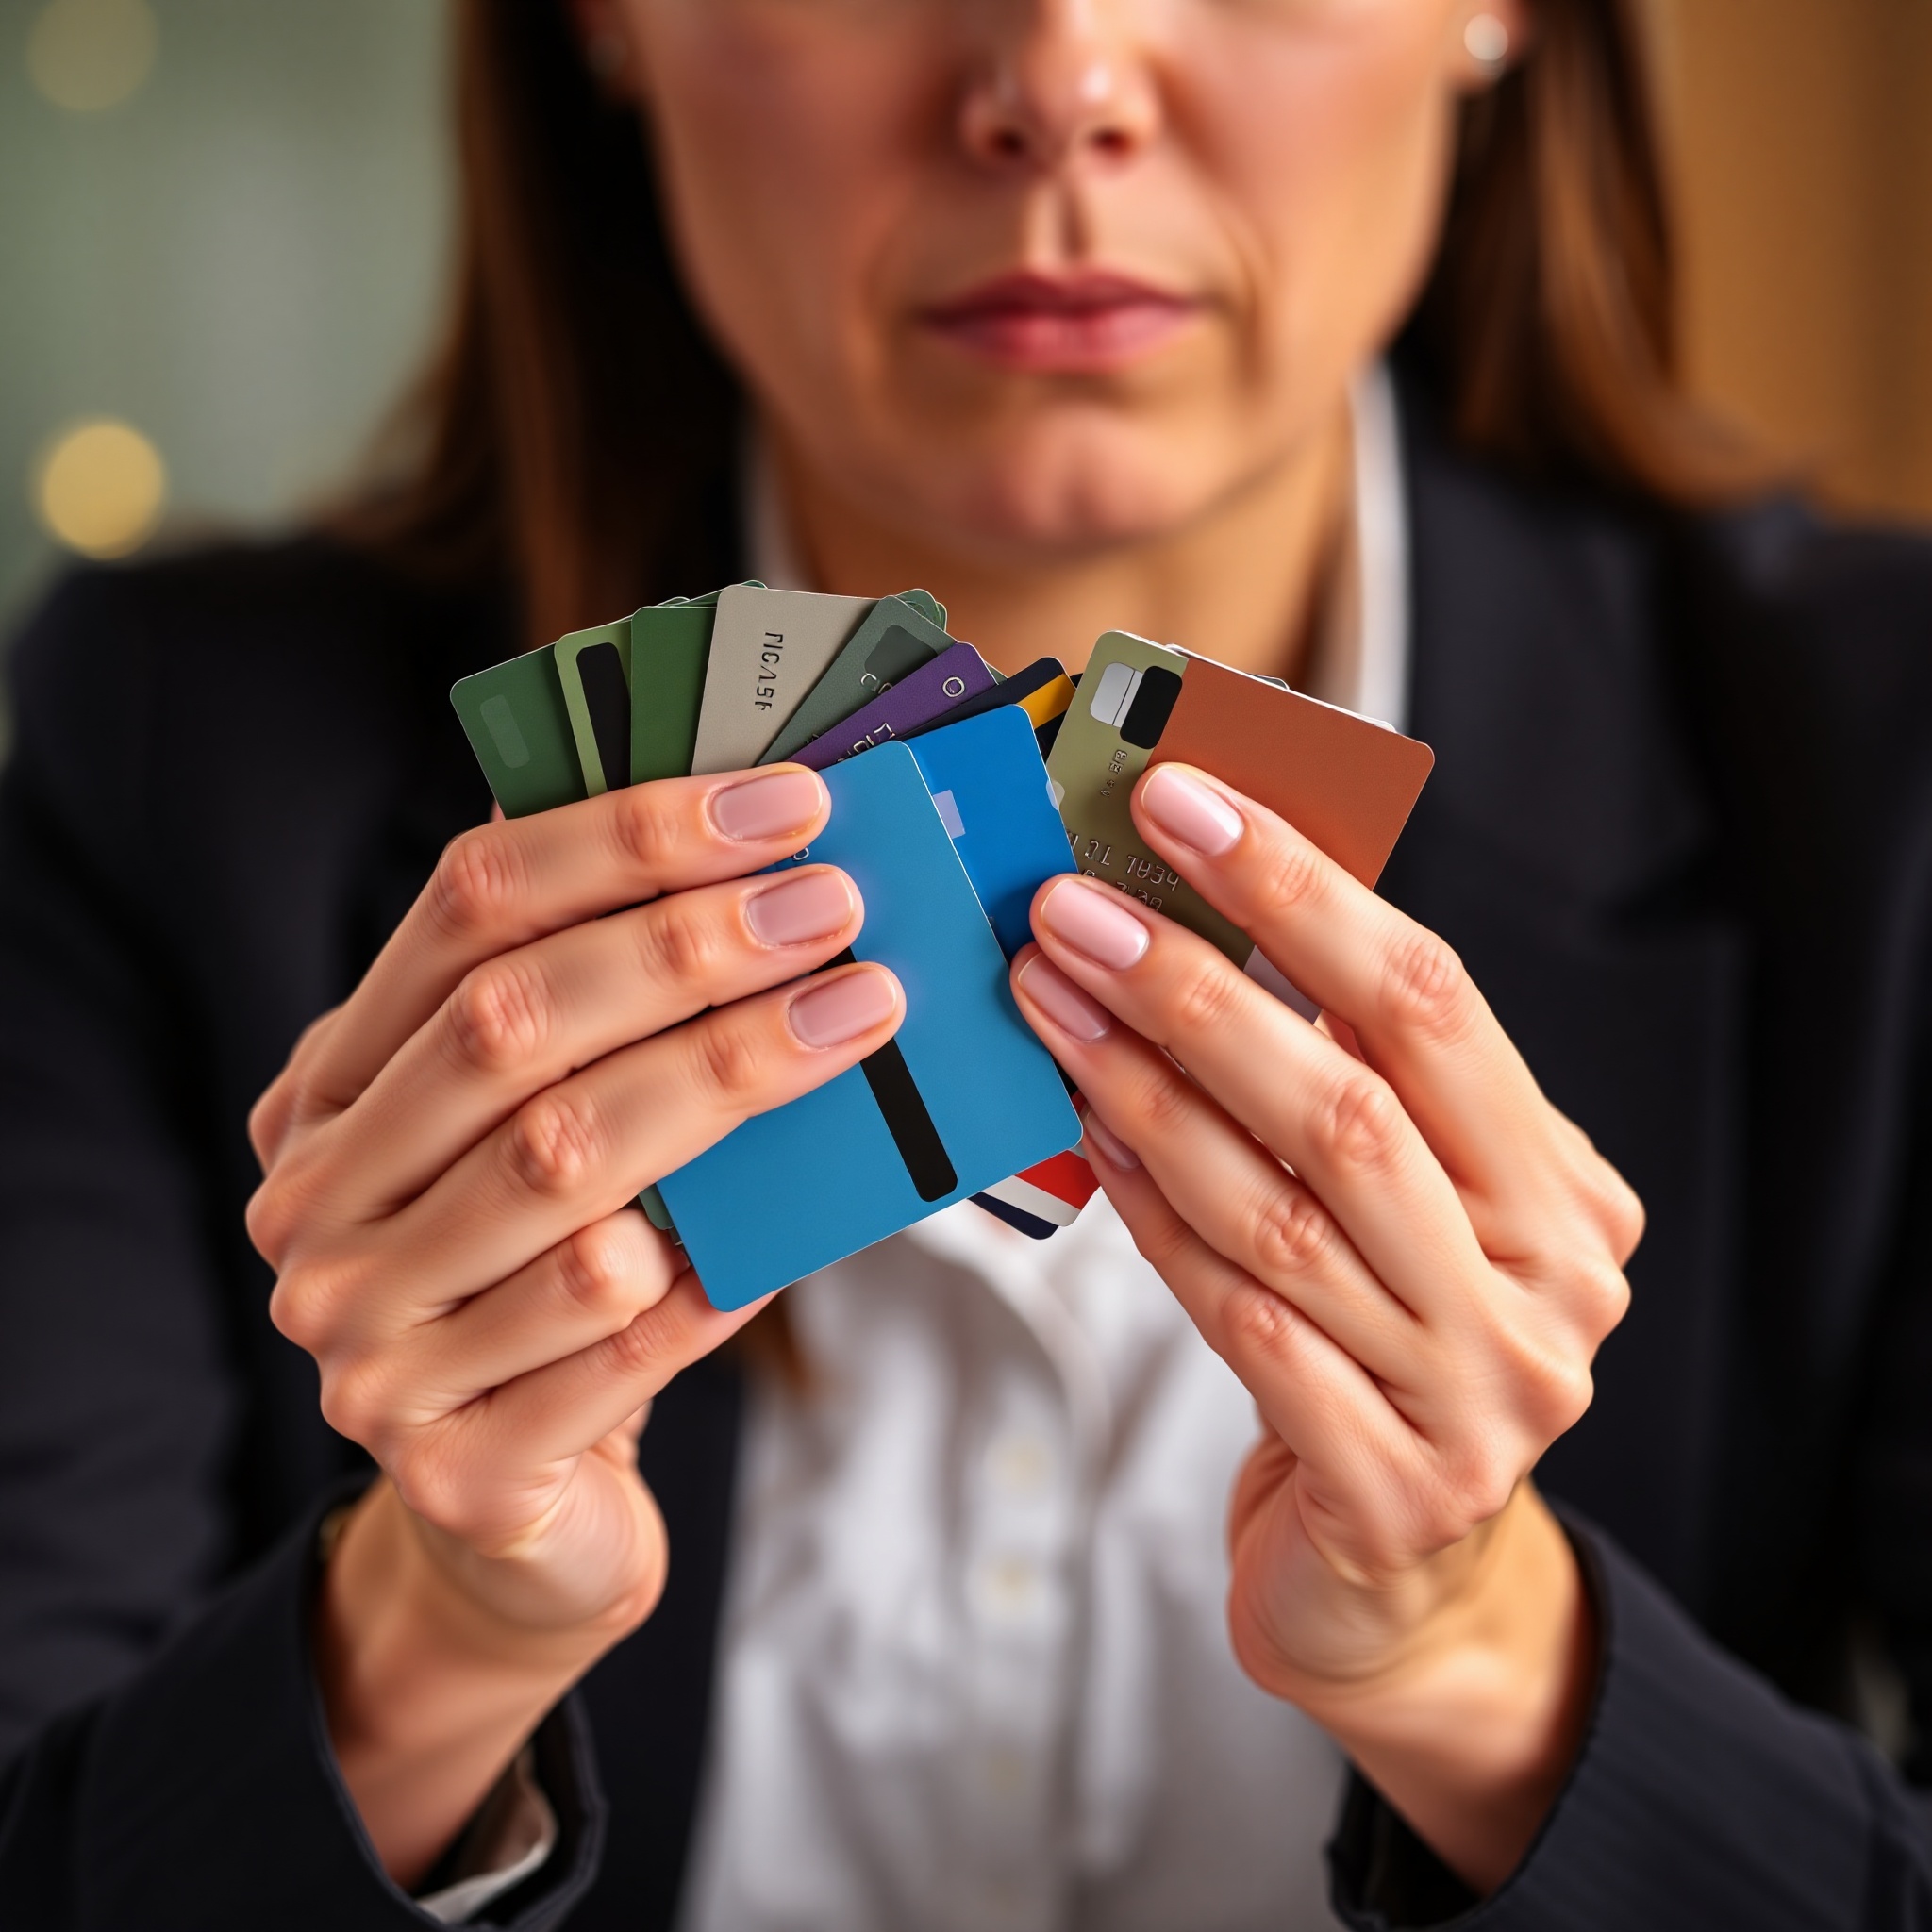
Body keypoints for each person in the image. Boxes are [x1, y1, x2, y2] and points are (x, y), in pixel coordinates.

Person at [0, 0, 1927, 1924]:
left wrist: (1485, 1654)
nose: (1061, 79)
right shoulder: (171, 755)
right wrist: (432, 1627)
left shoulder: (1879, 777)